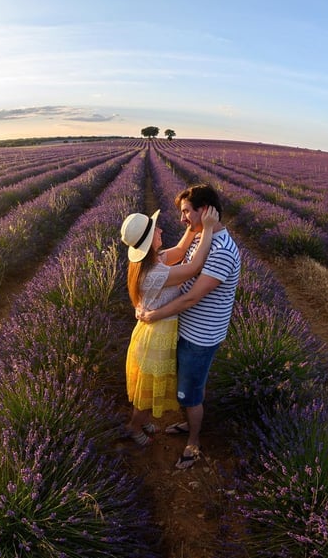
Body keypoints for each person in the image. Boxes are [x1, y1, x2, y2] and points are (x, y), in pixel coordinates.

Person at [137, 184, 240, 469]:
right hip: (186, 329)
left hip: (200, 336)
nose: (181, 218)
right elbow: (183, 255)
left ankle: (194, 440)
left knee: (190, 393)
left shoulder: (222, 250)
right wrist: (200, 229)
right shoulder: (199, 237)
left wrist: (154, 315)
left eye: (185, 212)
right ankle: (188, 421)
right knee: (191, 386)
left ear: (205, 211)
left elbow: (193, 297)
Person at [119, 204, 219, 447]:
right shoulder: (154, 273)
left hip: (152, 332)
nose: (161, 230)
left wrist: (193, 227)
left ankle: (140, 422)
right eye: (156, 230)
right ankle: (133, 426)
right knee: (147, 390)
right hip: (155, 337)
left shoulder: (151, 260)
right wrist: (207, 229)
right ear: (149, 240)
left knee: (149, 385)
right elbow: (194, 267)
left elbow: (183, 249)